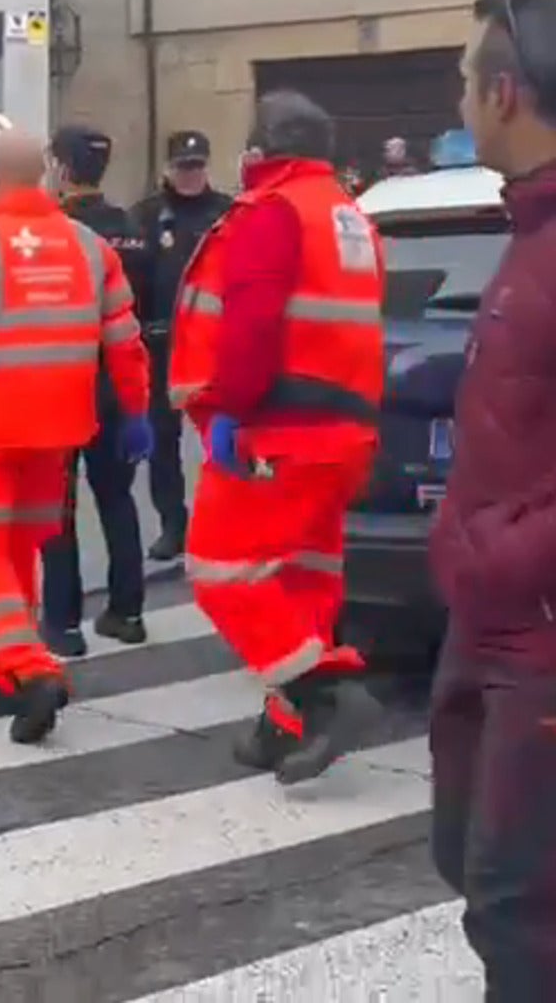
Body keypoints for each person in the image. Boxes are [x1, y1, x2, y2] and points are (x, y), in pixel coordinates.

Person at [430, 0, 556, 1002]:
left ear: (506, 93)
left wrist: (508, 552)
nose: (456, 105)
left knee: (513, 900)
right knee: (489, 867)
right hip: (504, 620)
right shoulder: (545, 228)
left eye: (464, 81)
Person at [168, 89, 383, 785]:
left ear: (263, 150)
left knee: (219, 570)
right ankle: (284, 728)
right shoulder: (351, 216)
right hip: (343, 434)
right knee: (301, 578)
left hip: (278, 433)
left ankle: (324, 696)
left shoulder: (273, 211)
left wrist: (230, 408)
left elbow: (254, 321)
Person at [0, 127, 149, 745]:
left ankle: (31, 666)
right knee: (22, 544)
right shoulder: (90, 246)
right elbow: (125, 341)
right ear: (46, 174)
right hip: (57, 429)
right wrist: (136, 410)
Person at [36, 126, 154, 656]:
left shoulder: (53, 231)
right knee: (117, 499)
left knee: (55, 506)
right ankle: (127, 612)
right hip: (119, 383)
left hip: (62, 384)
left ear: (61, 167)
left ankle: (62, 624)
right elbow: (144, 315)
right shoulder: (132, 228)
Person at [129, 130, 233, 561]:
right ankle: (174, 524)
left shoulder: (226, 212)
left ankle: (226, 523)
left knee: (223, 438)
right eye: (183, 167)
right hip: (162, 347)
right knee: (162, 443)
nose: (191, 175)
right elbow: (134, 278)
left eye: (197, 167)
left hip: (216, 347)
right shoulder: (147, 215)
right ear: (168, 169)